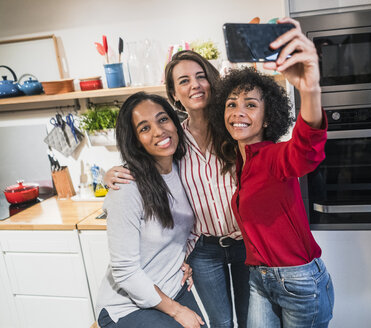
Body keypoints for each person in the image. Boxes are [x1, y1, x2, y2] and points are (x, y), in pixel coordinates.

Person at [103, 51, 250, 328]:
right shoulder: (175, 141)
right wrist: (108, 176)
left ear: (211, 81)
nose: (194, 85)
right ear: (174, 94)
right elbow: (143, 167)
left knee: (251, 319)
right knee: (221, 322)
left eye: (200, 76)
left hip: (246, 243)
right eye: (184, 81)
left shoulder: (236, 130)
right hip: (205, 249)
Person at [209, 18, 334, 327]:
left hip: (299, 282)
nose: (238, 111)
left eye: (251, 104)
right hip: (259, 278)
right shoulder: (240, 161)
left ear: (268, 119)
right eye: (231, 103)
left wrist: (310, 89)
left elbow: (306, 148)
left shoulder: (275, 157)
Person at [96, 92, 206, 328]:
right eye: (145, 128)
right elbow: (125, 272)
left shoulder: (182, 168)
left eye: (163, 120)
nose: (158, 131)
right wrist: (177, 312)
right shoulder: (126, 187)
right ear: (135, 140)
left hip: (172, 288)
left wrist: (186, 259)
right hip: (126, 305)